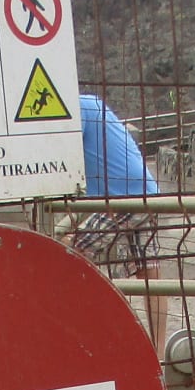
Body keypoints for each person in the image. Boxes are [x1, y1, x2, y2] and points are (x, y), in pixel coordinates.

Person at [76, 93, 167, 347]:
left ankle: (86, 337)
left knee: (72, 252)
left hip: (121, 195)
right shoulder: (91, 103)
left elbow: (63, 158)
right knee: (148, 273)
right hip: (145, 189)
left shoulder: (74, 109)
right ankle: (157, 354)